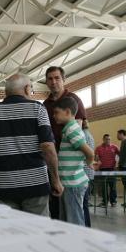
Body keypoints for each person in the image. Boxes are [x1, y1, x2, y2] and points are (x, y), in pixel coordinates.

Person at [0, 74, 62, 216]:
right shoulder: (38, 109)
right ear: (27, 89)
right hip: (35, 186)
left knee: (9, 234)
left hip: (3, 188)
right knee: (38, 233)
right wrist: (56, 180)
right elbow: (48, 148)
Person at [42, 66, 87, 219]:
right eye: (50, 79)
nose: (53, 82)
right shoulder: (45, 105)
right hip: (53, 162)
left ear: (63, 80)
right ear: (46, 82)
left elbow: (78, 130)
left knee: (76, 209)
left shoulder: (74, 100)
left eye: (57, 78)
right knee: (57, 207)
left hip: (71, 167)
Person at [52, 97, 94, 226]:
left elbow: (89, 152)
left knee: (74, 220)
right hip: (68, 183)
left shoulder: (72, 130)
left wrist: (89, 162)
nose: (54, 116)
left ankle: (78, 243)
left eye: (56, 113)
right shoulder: (68, 129)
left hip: (74, 184)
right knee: (67, 220)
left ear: (67, 112)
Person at [95, 133, 119, 207]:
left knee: (113, 186)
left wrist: (117, 165)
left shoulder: (114, 147)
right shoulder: (98, 148)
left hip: (112, 169)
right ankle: (105, 202)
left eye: (109, 139)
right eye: (106, 139)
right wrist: (97, 164)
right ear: (103, 139)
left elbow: (120, 155)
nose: (108, 140)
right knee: (104, 187)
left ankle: (113, 201)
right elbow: (96, 158)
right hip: (102, 169)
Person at [82, 119, 95, 227]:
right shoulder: (90, 135)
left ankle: (86, 226)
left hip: (83, 172)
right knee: (85, 203)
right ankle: (87, 226)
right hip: (89, 173)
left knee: (83, 203)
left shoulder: (82, 135)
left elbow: (88, 155)